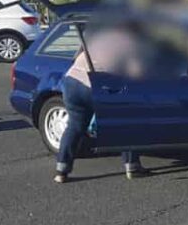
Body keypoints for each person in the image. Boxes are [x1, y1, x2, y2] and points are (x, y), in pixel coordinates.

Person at [54, 23, 149, 183]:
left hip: (72, 82)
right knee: (126, 122)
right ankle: (132, 166)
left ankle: (61, 171)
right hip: (95, 84)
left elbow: (76, 57)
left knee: (75, 127)